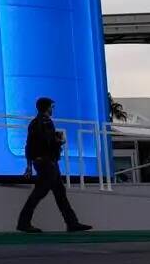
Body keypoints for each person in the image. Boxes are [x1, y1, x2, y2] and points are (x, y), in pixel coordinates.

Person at [16, 97, 93, 234]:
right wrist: (59, 141)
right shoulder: (46, 123)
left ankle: (72, 222)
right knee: (41, 192)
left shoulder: (34, 123)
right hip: (48, 163)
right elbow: (49, 143)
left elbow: (29, 145)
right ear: (47, 108)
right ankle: (24, 222)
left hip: (42, 163)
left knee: (59, 193)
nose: (53, 109)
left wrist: (29, 165)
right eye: (52, 107)